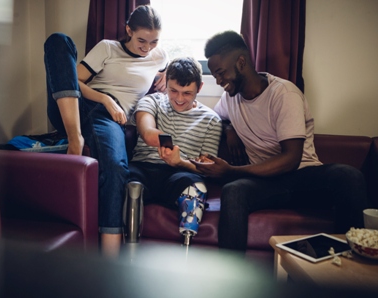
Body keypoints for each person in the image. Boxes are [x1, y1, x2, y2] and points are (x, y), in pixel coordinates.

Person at [191, 30, 368, 252]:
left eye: (220, 73)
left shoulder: (283, 94)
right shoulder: (230, 98)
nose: (218, 81)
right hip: (267, 185)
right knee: (234, 191)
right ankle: (231, 279)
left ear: (241, 62)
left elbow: (291, 159)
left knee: (349, 176)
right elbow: (219, 117)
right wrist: (229, 130)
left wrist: (231, 171)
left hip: (302, 177)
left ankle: (349, 267)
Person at [43, 5, 169, 258]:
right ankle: (74, 136)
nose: (147, 47)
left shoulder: (159, 57)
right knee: (59, 41)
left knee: (115, 167)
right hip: (77, 105)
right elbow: (74, 80)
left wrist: (167, 74)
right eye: (141, 40)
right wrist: (105, 100)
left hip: (109, 120)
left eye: (154, 41)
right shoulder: (107, 48)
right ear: (128, 31)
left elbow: (169, 71)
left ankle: (109, 261)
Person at [128, 57, 222, 245]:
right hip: (143, 168)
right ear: (167, 84)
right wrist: (164, 142)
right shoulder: (152, 101)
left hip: (180, 175)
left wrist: (180, 162)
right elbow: (146, 132)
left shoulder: (212, 120)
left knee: (196, 187)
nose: (179, 99)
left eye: (187, 93)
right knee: (125, 182)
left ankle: (185, 253)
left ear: (200, 88)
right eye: (173, 91)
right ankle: (128, 251)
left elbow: (208, 168)